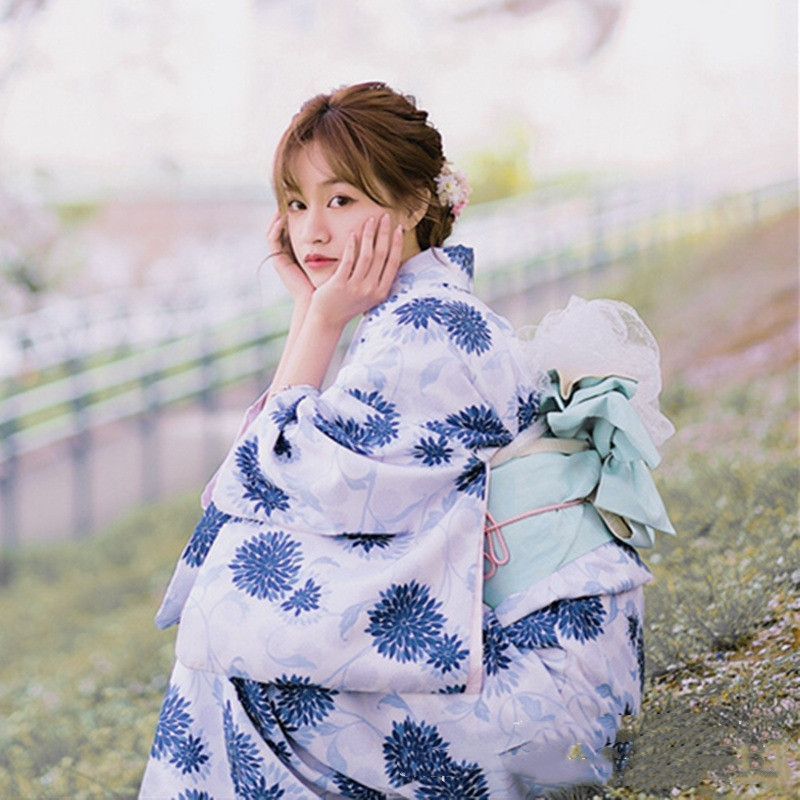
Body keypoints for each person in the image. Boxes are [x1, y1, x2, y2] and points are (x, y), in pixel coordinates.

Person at [138, 81, 675, 800]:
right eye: (296, 205)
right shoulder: (415, 314)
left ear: (417, 202)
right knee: (232, 639)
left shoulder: (428, 333)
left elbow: (263, 484)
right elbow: (257, 483)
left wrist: (319, 320)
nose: (312, 232)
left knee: (237, 663)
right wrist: (312, 311)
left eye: (340, 200)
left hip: (550, 700)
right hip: (543, 664)